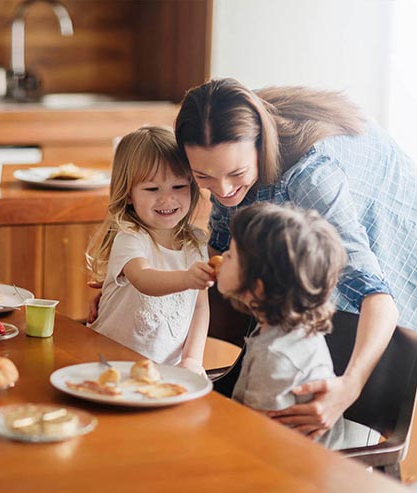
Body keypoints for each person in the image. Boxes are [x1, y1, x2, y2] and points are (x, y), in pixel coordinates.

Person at [174, 77, 415, 439]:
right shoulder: (228, 174)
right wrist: (141, 288)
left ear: (260, 146)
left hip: (388, 209)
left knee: (345, 326)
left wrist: (349, 387)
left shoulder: (311, 176)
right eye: (203, 177)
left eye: (236, 174)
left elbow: (379, 296)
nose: (223, 191)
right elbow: (215, 253)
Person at [218, 202, 376, 449]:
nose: (223, 256)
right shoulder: (284, 331)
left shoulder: (277, 357)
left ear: (258, 287)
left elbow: (254, 440)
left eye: (232, 254)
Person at [85, 126, 215, 372]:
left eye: (179, 187)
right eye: (152, 189)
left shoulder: (196, 241)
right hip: (107, 364)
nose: (167, 199)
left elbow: (200, 306)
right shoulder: (131, 236)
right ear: (129, 194)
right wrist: (187, 278)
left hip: (163, 371)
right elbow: (143, 278)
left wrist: (192, 360)